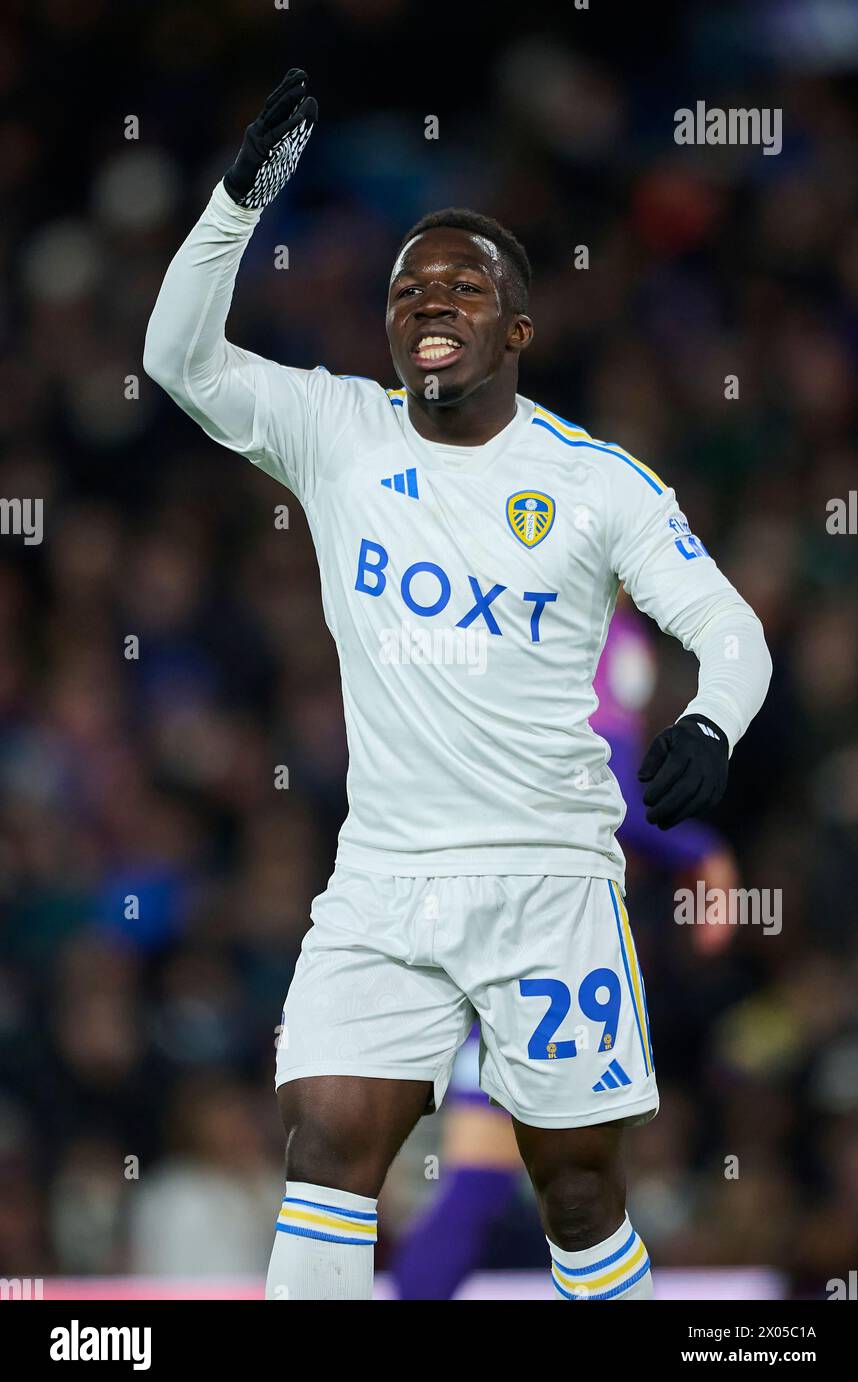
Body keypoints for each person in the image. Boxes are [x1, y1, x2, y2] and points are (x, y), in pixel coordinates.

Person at [144, 69, 772, 1301]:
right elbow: (174, 356)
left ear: (516, 330)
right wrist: (236, 202)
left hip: (547, 876)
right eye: (406, 289)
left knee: (578, 1191)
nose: (428, 300)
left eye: (462, 285)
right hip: (383, 877)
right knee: (326, 1144)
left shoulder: (599, 485)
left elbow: (730, 630)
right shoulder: (335, 431)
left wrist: (711, 721)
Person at [391, 603, 740, 1299]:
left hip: (496, 922)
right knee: (574, 1182)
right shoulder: (587, 620)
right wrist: (702, 852)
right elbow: (599, 782)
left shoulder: (517, 601)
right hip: (543, 938)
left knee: (493, 1183)